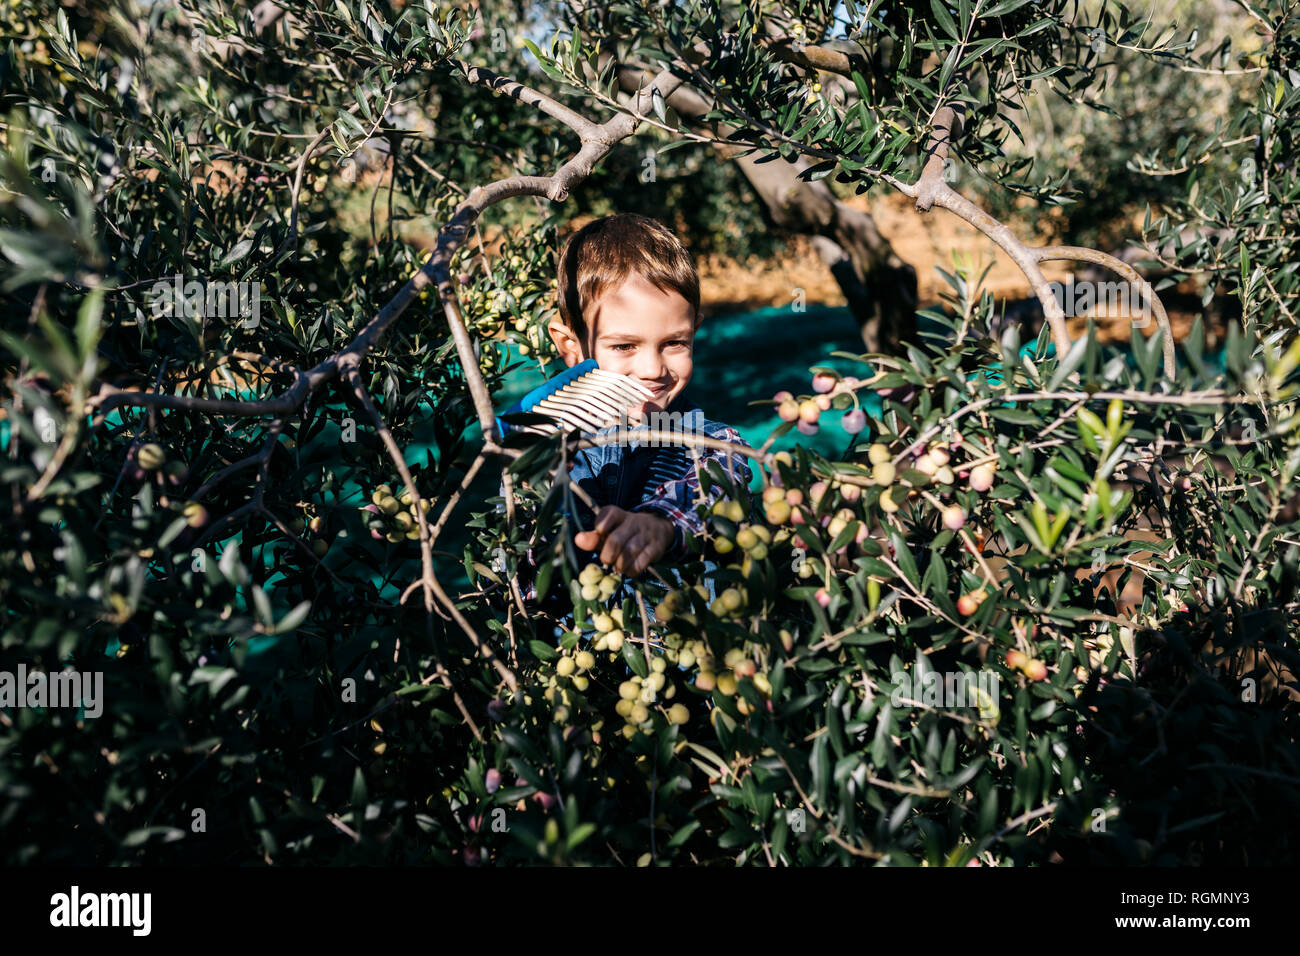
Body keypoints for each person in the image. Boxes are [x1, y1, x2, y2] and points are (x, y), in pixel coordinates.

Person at [505, 213, 753, 590]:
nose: (653, 368)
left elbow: (713, 493)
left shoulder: (714, 446)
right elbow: (523, 563)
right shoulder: (550, 444)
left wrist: (661, 526)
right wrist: (529, 473)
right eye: (624, 346)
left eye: (674, 343)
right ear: (571, 348)